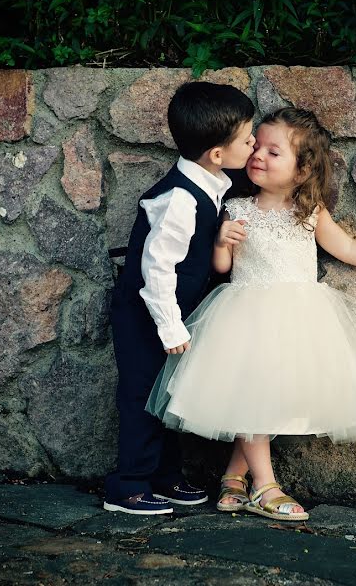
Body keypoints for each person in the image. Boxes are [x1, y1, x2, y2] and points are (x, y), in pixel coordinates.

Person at [146, 107, 356, 521]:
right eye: (256, 146)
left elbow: (348, 248)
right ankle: (265, 485)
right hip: (243, 317)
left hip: (299, 320)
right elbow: (222, 268)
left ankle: (233, 478)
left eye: (273, 152)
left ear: (301, 170)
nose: (258, 155)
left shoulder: (309, 212)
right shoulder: (238, 208)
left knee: (270, 400)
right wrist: (223, 241)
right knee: (254, 396)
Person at [104, 82, 256, 515]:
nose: (254, 142)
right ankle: (127, 486)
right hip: (145, 316)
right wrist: (169, 326)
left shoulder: (211, 182)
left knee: (167, 396)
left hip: (174, 315)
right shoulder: (179, 200)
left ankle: (165, 477)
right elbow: (156, 270)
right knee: (140, 396)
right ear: (217, 154)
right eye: (247, 139)